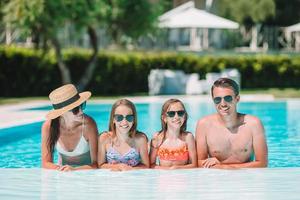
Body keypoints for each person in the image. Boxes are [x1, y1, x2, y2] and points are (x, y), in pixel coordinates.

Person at [196, 78, 268, 168]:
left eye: (228, 98)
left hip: (246, 178)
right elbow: (199, 163)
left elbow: (262, 163)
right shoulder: (204, 125)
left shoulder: (253, 124)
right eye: (217, 99)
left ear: (237, 99)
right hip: (217, 179)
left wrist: (224, 167)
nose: (223, 104)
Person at [41, 84, 98, 171]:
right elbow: (45, 163)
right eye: (75, 109)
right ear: (62, 113)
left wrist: (74, 170)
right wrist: (62, 169)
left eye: (81, 105)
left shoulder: (88, 125)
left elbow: (96, 164)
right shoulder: (48, 127)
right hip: (63, 172)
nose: (80, 112)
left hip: (86, 173)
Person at [98, 99, 149, 171]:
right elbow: (100, 165)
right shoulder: (104, 138)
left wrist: (130, 169)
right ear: (113, 119)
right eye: (119, 117)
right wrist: (119, 167)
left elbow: (146, 166)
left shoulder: (140, 139)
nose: (124, 122)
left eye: (129, 117)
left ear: (134, 119)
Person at [150, 99, 197, 169]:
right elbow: (151, 164)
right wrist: (168, 170)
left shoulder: (188, 137)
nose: (176, 117)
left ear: (184, 116)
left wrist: (177, 168)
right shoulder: (158, 137)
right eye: (171, 113)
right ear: (164, 118)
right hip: (163, 177)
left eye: (180, 113)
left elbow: (194, 165)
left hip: (183, 177)